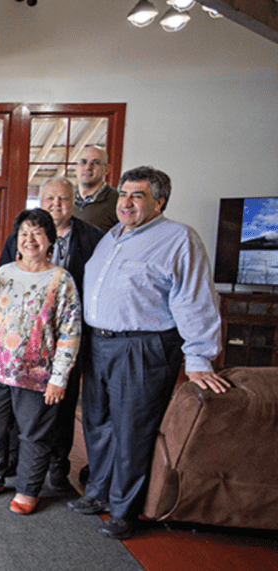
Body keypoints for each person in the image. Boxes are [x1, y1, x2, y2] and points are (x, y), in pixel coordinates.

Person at [69, 166, 228, 539]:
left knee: (131, 430)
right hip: (100, 343)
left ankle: (125, 511)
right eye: (123, 194)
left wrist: (200, 358)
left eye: (137, 196)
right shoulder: (112, 236)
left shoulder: (179, 239)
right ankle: (99, 493)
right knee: (98, 422)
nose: (126, 202)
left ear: (159, 201)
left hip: (143, 347)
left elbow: (195, 301)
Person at [0, 209, 81, 514]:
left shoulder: (61, 279)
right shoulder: (3, 273)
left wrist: (59, 378)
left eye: (38, 233)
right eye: (24, 234)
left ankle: (29, 489)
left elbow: (70, 331)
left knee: (34, 433)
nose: (30, 240)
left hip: (36, 373)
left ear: (49, 241)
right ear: (16, 241)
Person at [0, 177, 104, 490]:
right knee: (20, 403)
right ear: (40, 202)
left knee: (62, 401)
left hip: (66, 335)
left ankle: (59, 467)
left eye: (63, 199)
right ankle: (16, 460)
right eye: (49, 199)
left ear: (75, 203)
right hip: (23, 340)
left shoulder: (93, 238)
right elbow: (3, 283)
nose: (56, 204)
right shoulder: (20, 237)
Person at [73, 146, 119, 232]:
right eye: (83, 162)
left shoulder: (118, 201)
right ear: (76, 168)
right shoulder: (66, 200)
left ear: (106, 169)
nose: (88, 167)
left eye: (95, 162)